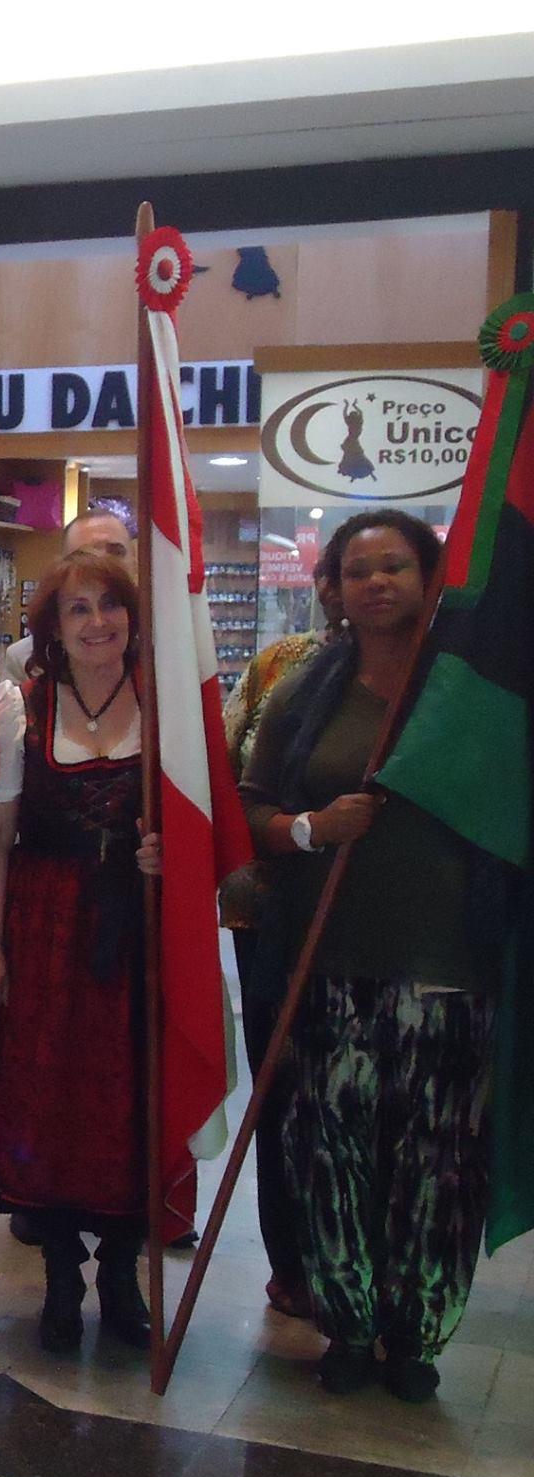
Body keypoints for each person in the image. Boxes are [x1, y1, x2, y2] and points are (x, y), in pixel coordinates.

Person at [240, 509, 496, 1404]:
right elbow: (251, 810)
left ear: (431, 579)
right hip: (330, 965)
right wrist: (311, 830)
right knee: (333, 1150)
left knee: (438, 1159)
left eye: (396, 566)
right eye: (358, 570)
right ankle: (346, 1327)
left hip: (452, 969)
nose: (377, 582)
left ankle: (415, 1334)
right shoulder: (304, 692)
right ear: (334, 589)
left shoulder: (471, 695)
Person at [0, 550, 165, 1354]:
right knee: (46, 1094)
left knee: (132, 1094)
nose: (97, 623)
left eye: (109, 606)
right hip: (45, 922)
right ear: (51, 629)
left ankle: (122, 1271)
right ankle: (60, 1270)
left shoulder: (163, 710)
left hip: (135, 929)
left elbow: (199, 831)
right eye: (78, 609)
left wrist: (165, 858)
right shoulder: (21, 706)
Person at [219, 570, 344, 1323]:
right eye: (344, 572)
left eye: (390, 568)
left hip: (381, 919)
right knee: (282, 1089)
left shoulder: (436, 672)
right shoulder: (280, 666)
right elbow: (230, 768)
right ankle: (292, 1260)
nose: (360, 585)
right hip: (271, 910)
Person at [0, 508, 134, 687]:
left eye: (116, 553)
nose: (103, 564)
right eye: (86, 554)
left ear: (136, 562)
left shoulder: (172, 647)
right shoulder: (23, 661)